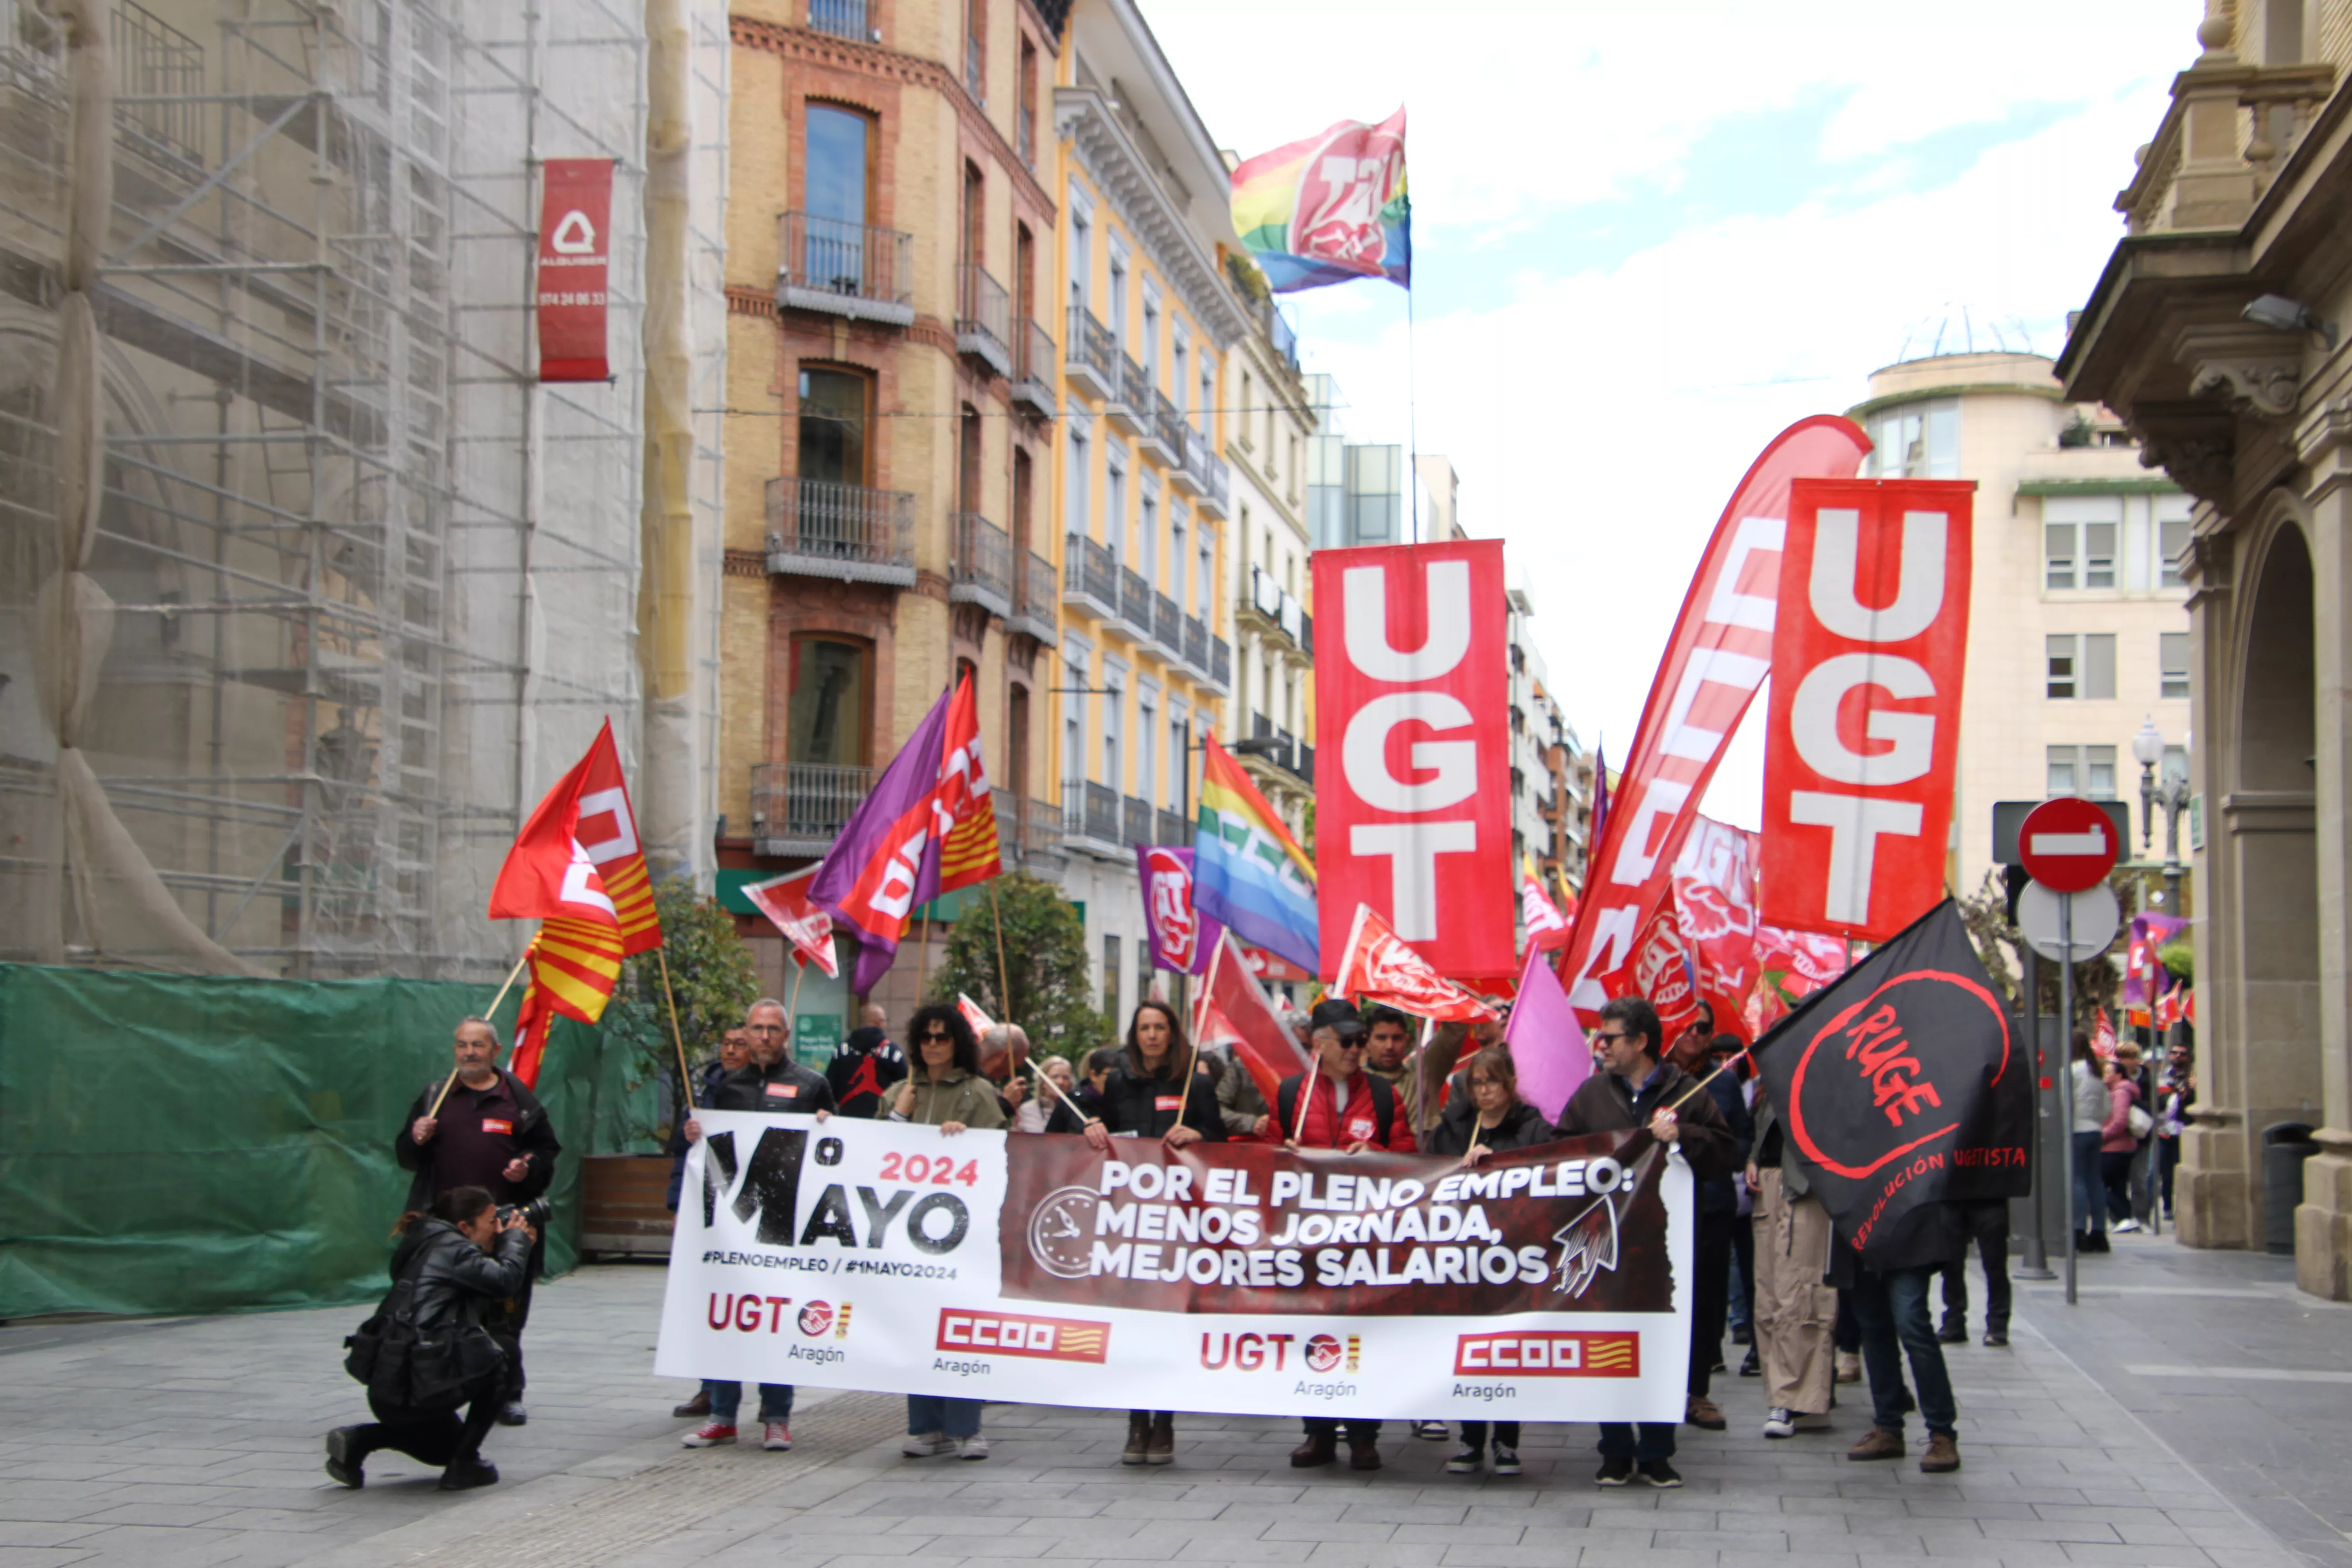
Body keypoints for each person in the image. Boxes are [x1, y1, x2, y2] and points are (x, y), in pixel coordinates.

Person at [1552, 995, 1736, 1487]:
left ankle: (1656, 1450)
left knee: (1659, 1345)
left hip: (1665, 1247)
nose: (1601, 1046)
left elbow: (1725, 1155)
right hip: (1606, 1244)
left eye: (1610, 1038)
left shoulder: (1689, 1091)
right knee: (1609, 1344)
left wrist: (1683, 1136)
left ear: (1640, 1042)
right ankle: (1614, 1449)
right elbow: (1559, 1155)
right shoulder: (1591, 1094)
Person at [676, 999, 837, 1451]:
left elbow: (841, 1150)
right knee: (730, 1316)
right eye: (756, 1029)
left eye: (772, 1029)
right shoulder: (728, 1087)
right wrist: (691, 1135)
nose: (764, 1037)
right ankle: (722, 1416)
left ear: (786, 1035)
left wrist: (829, 1124)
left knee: (779, 1317)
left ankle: (777, 1417)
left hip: (787, 1223)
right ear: (745, 1034)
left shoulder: (812, 1085)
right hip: (736, 1223)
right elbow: (703, 1149)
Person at [1081, 1001, 1226, 1465]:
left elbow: (1222, 1144)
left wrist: (1199, 1136)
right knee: (1135, 1326)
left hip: (1179, 1222)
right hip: (1130, 1221)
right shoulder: (1119, 1082)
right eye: (1144, 1027)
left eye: (1159, 1027)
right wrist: (1093, 1127)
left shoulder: (1196, 1084)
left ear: (1172, 1033)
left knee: (1168, 1325)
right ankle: (1135, 1422)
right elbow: (1096, 1134)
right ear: (1134, 1034)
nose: (1151, 1035)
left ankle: (1164, 1423)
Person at [394, 1016, 559, 1427]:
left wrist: (528, 1168)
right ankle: (442, 1390)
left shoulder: (517, 1100)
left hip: (503, 1229)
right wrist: (415, 1137)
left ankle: (506, 1395)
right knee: (444, 1316)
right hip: (446, 1234)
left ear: (495, 1051)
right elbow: (405, 1158)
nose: (469, 1053)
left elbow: (546, 1151)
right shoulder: (435, 1097)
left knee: (505, 1318)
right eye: (462, 1046)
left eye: (478, 1046)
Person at [1280, 1000, 1416, 1473]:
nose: (1359, 1049)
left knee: (1365, 1333)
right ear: (1318, 1044)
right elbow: (1265, 1164)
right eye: (1349, 1041)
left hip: (1366, 1240)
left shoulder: (1383, 1096)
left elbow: (1407, 1158)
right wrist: (1285, 1153)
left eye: (1362, 1040)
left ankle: (1363, 1435)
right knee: (1311, 1329)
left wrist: (1375, 1152)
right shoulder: (1290, 1092)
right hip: (1310, 1237)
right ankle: (1318, 1433)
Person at [326, 1186, 535, 1492]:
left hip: (389, 1387)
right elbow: (504, 1282)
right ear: (464, 1227)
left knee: (443, 1449)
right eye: (492, 1221)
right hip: (422, 1384)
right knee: (504, 1352)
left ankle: (360, 1440)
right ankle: (464, 1465)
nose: (499, 1228)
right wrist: (516, 1242)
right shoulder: (456, 1250)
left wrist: (500, 1247)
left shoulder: (422, 1243)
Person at [1423, 1045, 1552, 1476]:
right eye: (1477, 1083)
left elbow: (1549, 1173)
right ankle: (1472, 1438)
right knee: (1465, 1347)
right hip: (1463, 1256)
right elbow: (1429, 1176)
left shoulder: (1532, 1127)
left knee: (1504, 1347)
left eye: (1492, 1081)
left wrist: (1499, 1165)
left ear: (1510, 1083)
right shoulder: (1454, 1127)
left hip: (1514, 1255)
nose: (1484, 1091)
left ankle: (1507, 1441)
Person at [890, 1003, 1005, 1460]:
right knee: (917, 1327)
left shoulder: (979, 1094)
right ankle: (925, 1426)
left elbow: (1000, 1153)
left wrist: (968, 1140)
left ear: (958, 1042)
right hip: (907, 1234)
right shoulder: (900, 1092)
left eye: (942, 1037)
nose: (933, 1045)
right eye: (926, 1038)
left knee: (960, 1327)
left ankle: (967, 1427)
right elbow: (873, 1152)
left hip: (965, 1237)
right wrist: (899, 1116)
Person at [1839, 1201, 1967, 1474]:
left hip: (1911, 1220)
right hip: (1861, 1222)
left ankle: (1942, 1432)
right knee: (1873, 1327)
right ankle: (1889, 1426)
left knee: (1912, 1323)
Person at [667, 1025, 752, 1420]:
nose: (731, 1051)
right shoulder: (705, 1090)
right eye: (727, 1044)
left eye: (740, 1044)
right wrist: (677, 1205)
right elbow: (683, 1158)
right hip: (708, 1207)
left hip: (753, 1208)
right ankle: (709, 1389)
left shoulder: (764, 1090)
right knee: (708, 1300)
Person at [1748, 1079, 1837, 1441]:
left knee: (1801, 1292)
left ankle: (1793, 1397)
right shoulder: (1770, 1083)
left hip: (1806, 1187)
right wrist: (1753, 1158)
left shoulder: (1826, 1074)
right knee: (1769, 1296)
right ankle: (1790, 1396)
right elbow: (1762, 1131)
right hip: (1771, 1185)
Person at [1684, 1033, 1753, 1431]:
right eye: (1687, 1026)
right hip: (1657, 1211)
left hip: (1711, 1204)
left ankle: (1699, 1391)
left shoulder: (1723, 1082)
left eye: (1702, 1027)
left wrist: (1719, 1158)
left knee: (1709, 1301)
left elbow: (1741, 1136)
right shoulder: (1658, 1084)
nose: (1694, 1035)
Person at [1932, 1200, 2012, 1348]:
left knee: (1995, 1263)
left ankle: (1998, 1324)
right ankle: (1954, 1321)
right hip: (1952, 1195)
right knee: (1951, 1263)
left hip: (1990, 1194)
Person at [2069, 1029, 2110, 1253]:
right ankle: (2100, 1231)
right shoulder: (2096, 1072)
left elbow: (2064, 1102)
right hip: (2096, 1130)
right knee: (2096, 1181)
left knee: (2078, 1180)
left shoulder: (2072, 1071)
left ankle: (2078, 1230)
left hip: (2077, 1130)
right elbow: (2107, 1107)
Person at [825, 1018, 907, 1119]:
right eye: (884, 1021)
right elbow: (904, 1085)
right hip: (882, 1120)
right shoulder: (892, 1051)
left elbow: (829, 1088)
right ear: (878, 1023)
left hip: (847, 1120)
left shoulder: (841, 1051)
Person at [2117, 1040, 2158, 1228]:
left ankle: (2142, 1216)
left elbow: (2155, 1105)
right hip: (2118, 1135)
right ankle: (2120, 1216)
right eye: (2123, 1058)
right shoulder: (2114, 1075)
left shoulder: (2146, 1078)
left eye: (2131, 1058)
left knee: (2139, 1177)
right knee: (2117, 1178)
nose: (2128, 1062)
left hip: (2141, 1135)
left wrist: (2131, 1105)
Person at [2100, 1056, 2142, 1234]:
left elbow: (2119, 1121)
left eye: (2109, 1072)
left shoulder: (2121, 1092)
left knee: (2097, 1184)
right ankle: (2126, 1220)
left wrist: (2101, 1136)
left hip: (2115, 1147)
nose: (2105, 1075)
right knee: (2117, 1186)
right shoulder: (2116, 1090)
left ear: (2119, 1075)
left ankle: (2125, 1217)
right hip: (2120, 1147)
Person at [2156, 1044, 2195, 1221]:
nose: (2178, 1056)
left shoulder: (2193, 1078)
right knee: (2165, 1172)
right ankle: (2167, 1207)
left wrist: (2190, 1092)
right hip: (2165, 1131)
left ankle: (2182, 1205)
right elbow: (2158, 1102)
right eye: (2174, 1053)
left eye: (2182, 1053)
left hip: (2183, 1131)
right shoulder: (2164, 1076)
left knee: (2181, 1169)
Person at [1017, 1054, 1079, 1132]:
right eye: (1055, 1077)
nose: (1060, 1082)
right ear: (1043, 1083)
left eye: (1066, 1078)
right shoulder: (1028, 1109)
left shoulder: (1076, 1110)